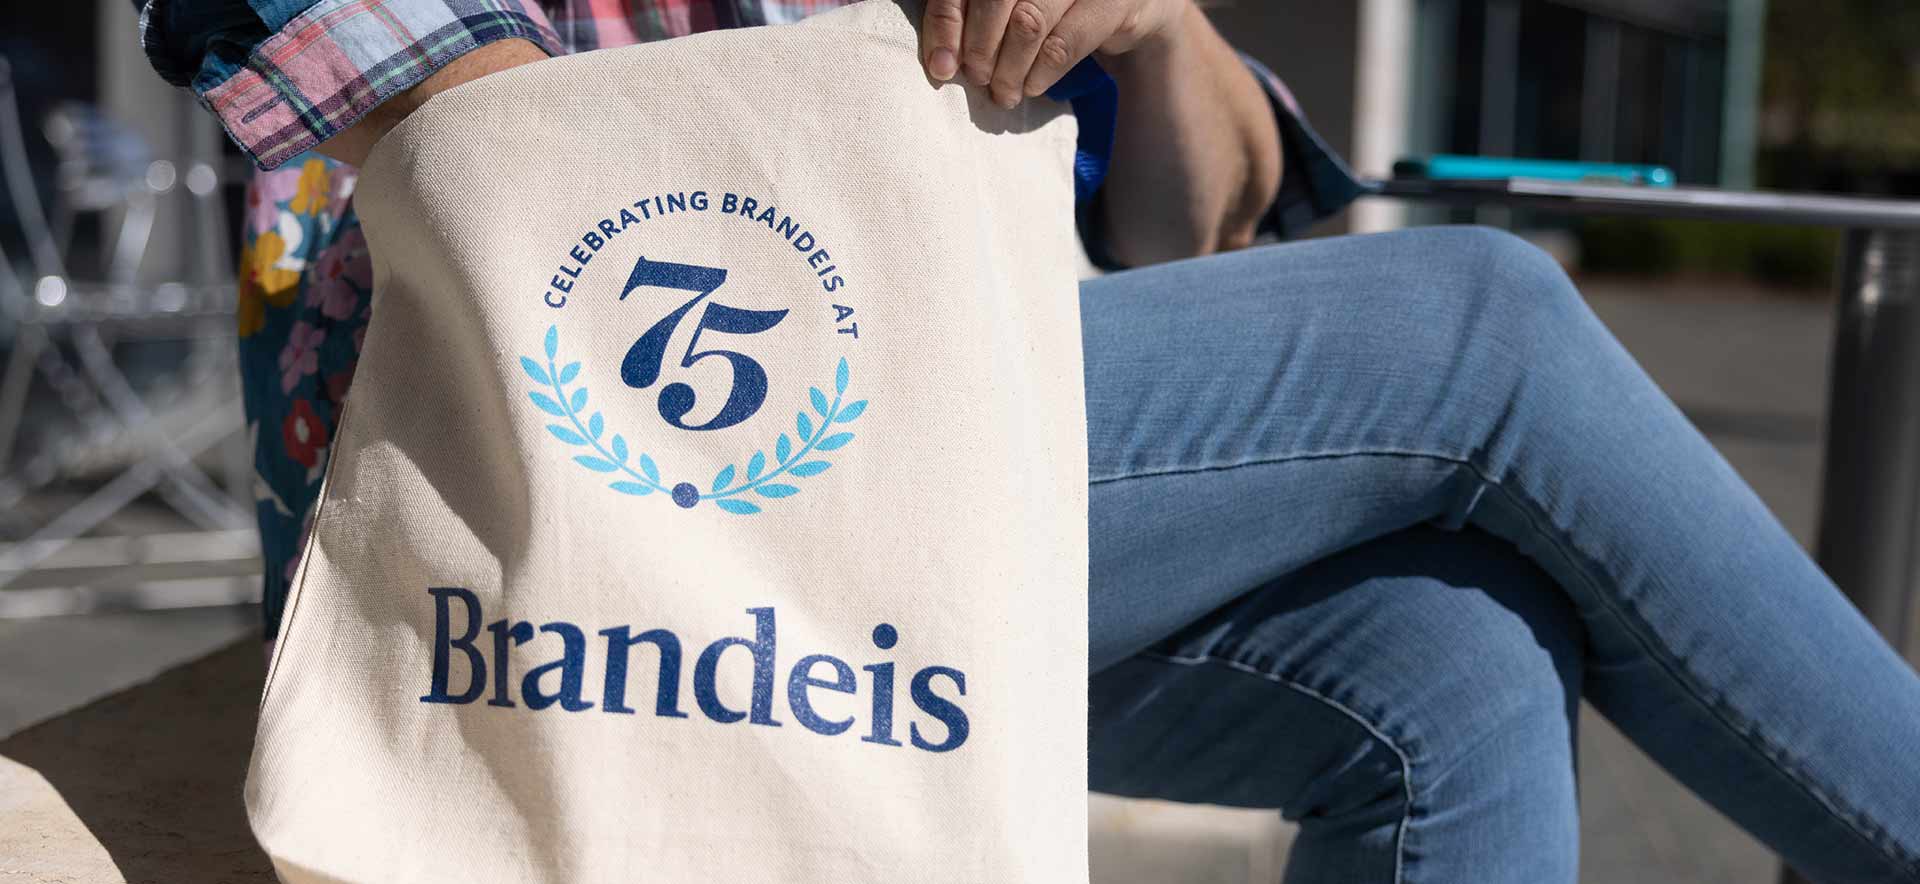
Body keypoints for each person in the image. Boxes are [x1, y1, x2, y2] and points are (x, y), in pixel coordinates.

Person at [136, 0, 1920, 880]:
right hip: (517, 502)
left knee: (1447, 656)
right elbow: (542, 214)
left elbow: (1190, 230)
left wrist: (1144, 25)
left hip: (849, 522)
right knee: (1479, 325)